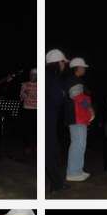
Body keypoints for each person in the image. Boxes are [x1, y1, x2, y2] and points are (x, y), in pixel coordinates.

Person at [64, 57, 94, 182]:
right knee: (78, 143)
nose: (84, 69)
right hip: (76, 117)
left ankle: (77, 170)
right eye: (83, 67)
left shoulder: (74, 79)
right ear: (78, 68)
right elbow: (76, 95)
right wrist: (90, 109)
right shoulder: (73, 80)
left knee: (80, 144)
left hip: (78, 116)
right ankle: (73, 172)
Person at [45, 49, 68, 193]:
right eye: (63, 62)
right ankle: (56, 184)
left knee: (52, 150)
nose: (64, 65)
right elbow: (57, 98)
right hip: (48, 118)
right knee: (50, 151)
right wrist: (63, 94)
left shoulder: (46, 76)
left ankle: (57, 183)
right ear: (57, 62)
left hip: (47, 117)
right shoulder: (52, 77)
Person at [20, 68, 37, 155]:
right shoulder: (24, 84)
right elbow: (21, 97)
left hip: (37, 109)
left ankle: (37, 146)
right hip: (27, 109)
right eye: (31, 74)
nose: (33, 76)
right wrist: (24, 93)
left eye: (34, 75)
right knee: (26, 129)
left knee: (37, 129)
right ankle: (27, 146)